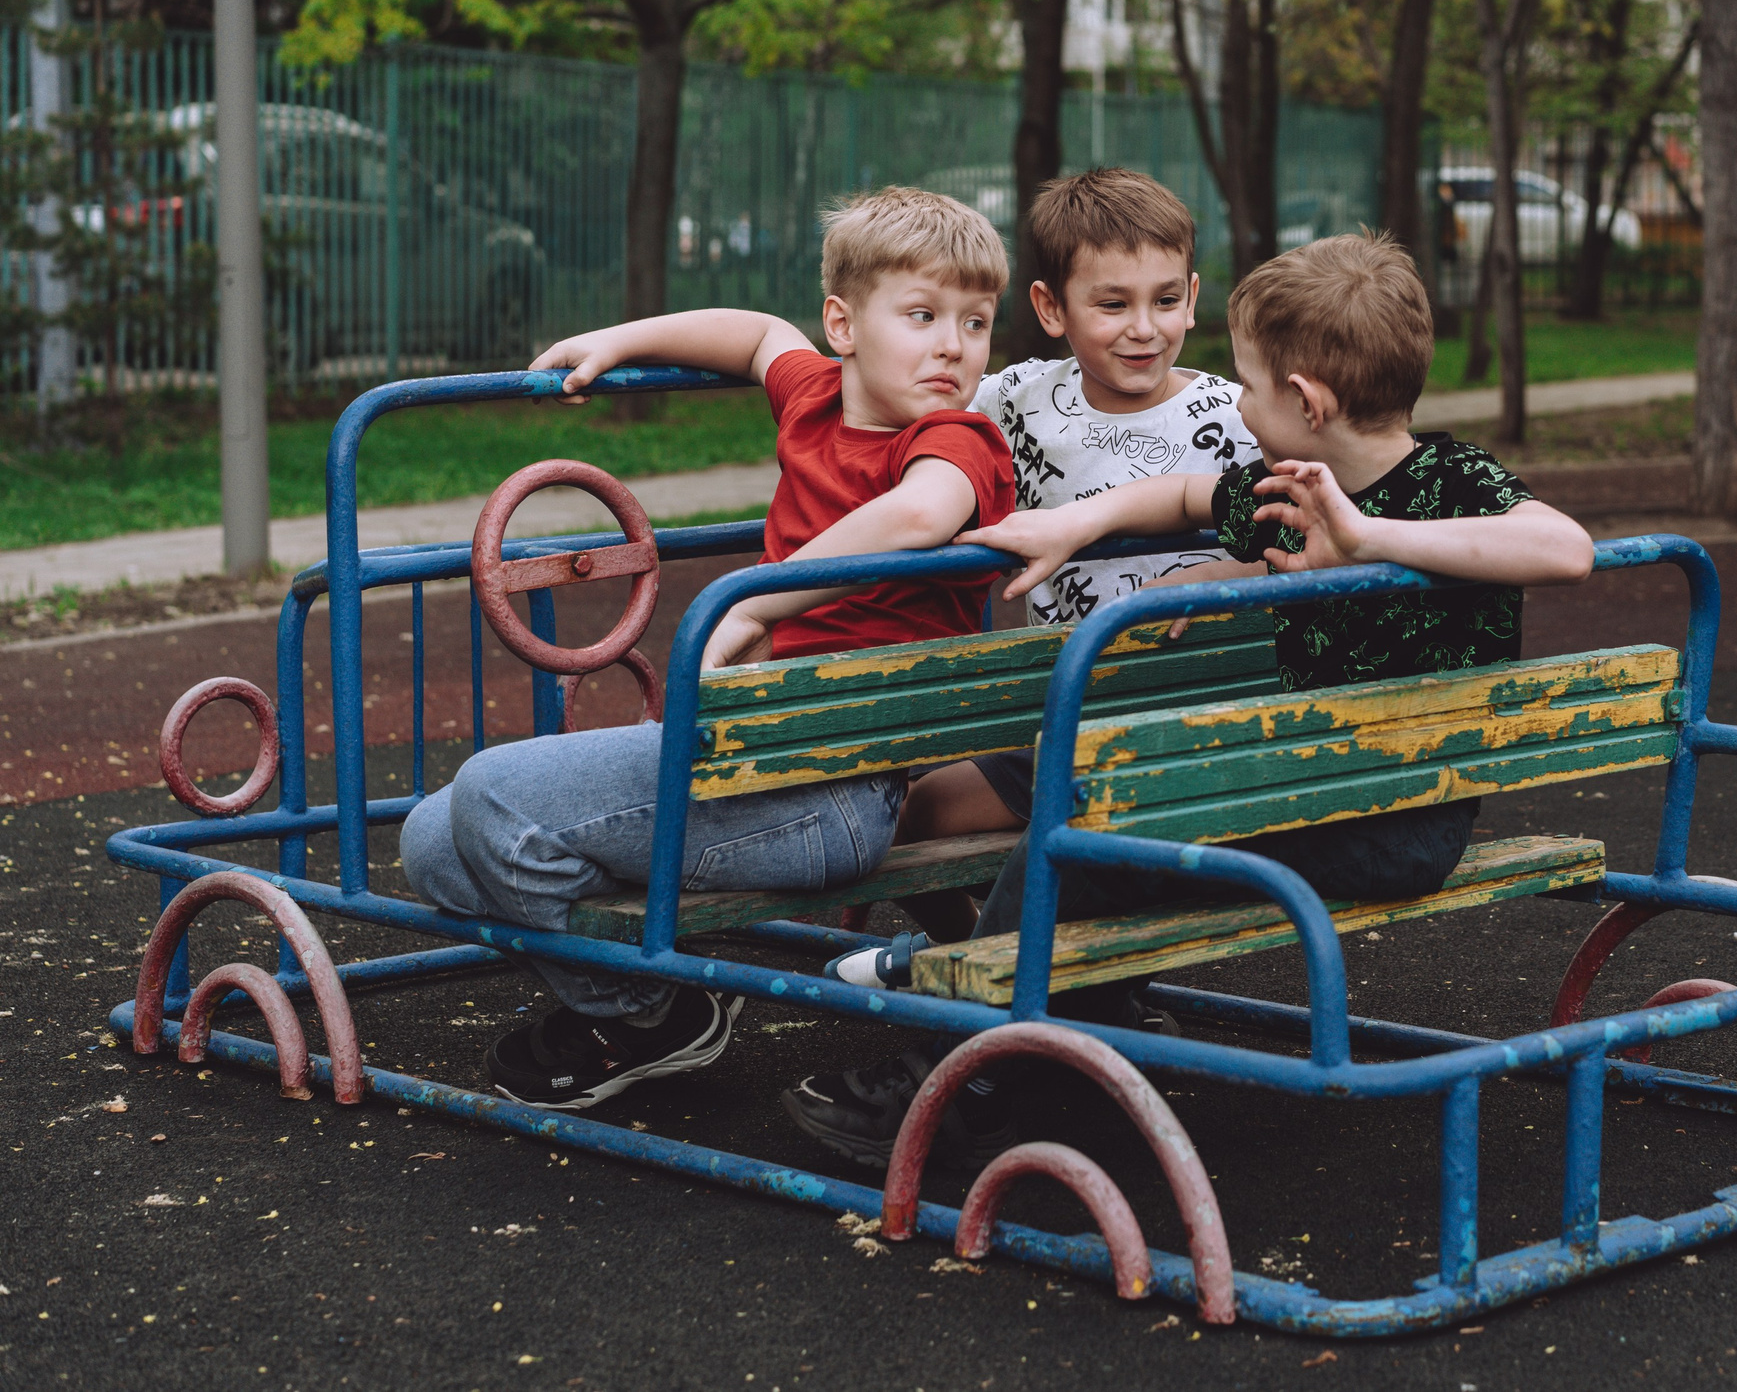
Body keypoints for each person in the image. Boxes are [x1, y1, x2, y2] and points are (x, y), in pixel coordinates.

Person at [778, 233, 1594, 1169]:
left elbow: (1564, 547)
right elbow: (1181, 494)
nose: (1238, 406)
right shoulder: (1292, 488)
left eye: (1248, 386)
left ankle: (965, 1081)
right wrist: (1084, 522)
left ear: (1307, 401)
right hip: (1317, 791)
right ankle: (1054, 1044)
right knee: (1098, 814)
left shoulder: (1446, 482)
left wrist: (1374, 538)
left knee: (1092, 824)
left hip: (1392, 821)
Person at [397, 186, 1017, 1110]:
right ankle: (646, 996)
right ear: (843, 326)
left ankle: (643, 1013)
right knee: (431, 841)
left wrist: (753, 602)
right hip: (749, 754)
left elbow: (923, 515)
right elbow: (759, 332)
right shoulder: (813, 401)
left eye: (975, 323)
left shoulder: (953, 443)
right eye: (922, 316)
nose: (952, 345)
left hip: (834, 789)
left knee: (492, 794)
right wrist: (619, 340)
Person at [854, 168, 1258, 955]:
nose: (1145, 327)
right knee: (901, 822)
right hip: (1065, 714)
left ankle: (1037, 979)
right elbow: (897, 395)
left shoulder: (1239, 414)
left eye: (1166, 299)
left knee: (1067, 836)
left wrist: (1228, 573)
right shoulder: (1016, 400)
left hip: (1183, 720)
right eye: (1112, 304)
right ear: (1051, 308)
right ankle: (973, 954)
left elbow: (1316, 535)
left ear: (1194, 294)